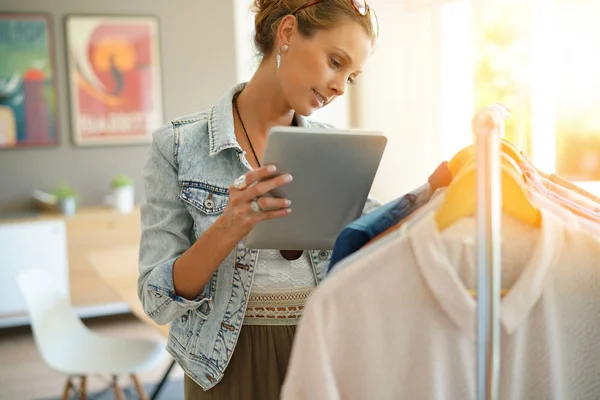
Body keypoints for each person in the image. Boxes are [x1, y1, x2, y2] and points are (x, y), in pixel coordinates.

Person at [137, 0, 379, 398]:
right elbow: (157, 300)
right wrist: (229, 226)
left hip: (318, 358)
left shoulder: (335, 150)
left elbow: (381, 231)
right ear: (286, 34)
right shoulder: (178, 146)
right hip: (223, 369)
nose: (339, 86)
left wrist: (446, 181)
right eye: (336, 62)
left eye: (350, 77)